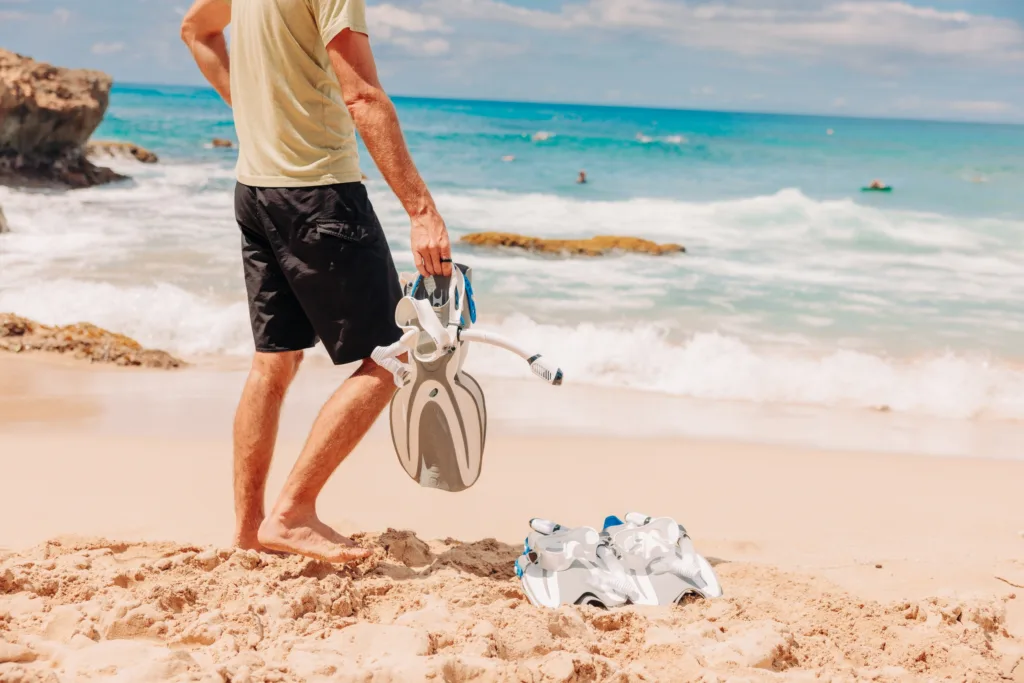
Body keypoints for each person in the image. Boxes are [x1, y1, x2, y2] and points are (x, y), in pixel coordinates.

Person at [180, 0, 452, 563]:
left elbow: (197, 30)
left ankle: (250, 530)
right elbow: (362, 96)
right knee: (400, 350)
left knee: (273, 363)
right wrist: (421, 211)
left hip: (255, 190)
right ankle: (293, 512)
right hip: (318, 193)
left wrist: (253, 114)